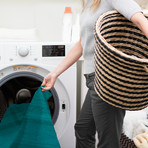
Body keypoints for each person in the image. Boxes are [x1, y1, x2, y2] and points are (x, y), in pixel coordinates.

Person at [41, 0, 148, 147]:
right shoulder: (88, 4)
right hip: (94, 80)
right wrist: (55, 73)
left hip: (109, 79)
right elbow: (82, 44)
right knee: (83, 130)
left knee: (108, 141)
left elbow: (141, 20)